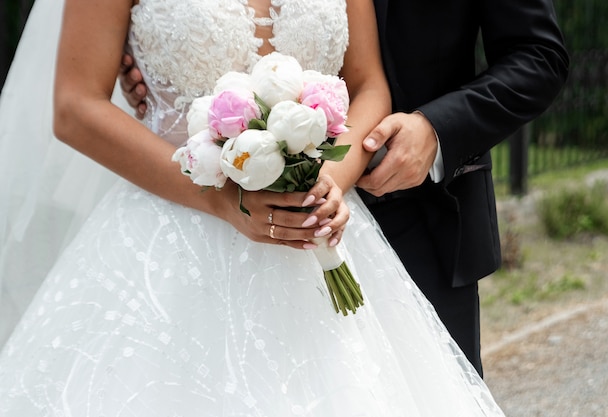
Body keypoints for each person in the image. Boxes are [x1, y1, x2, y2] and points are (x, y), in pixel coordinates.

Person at [0, 0, 506, 415]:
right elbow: (75, 107)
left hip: (318, 232)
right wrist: (222, 200)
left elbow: (368, 83)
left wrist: (332, 176)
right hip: (172, 238)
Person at [121, 0, 571, 375]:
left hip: (420, 218)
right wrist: (156, 63)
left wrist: (437, 130)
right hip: (205, 223)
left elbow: (538, 55)